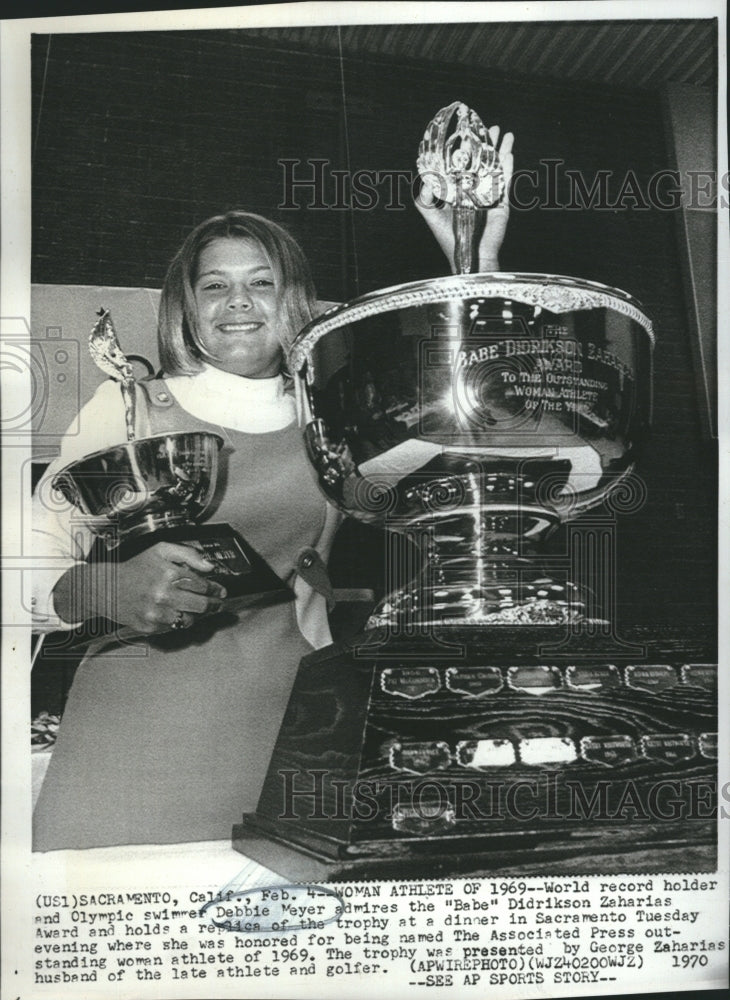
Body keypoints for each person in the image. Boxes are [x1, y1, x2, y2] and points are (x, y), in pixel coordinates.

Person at [32, 128, 514, 850]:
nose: (239, 302)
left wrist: (472, 255)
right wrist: (101, 589)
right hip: (133, 747)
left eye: (262, 282)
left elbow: (478, 423)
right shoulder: (127, 406)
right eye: (215, 285)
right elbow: (22, 559)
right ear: (186, 306)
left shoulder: (342, 415)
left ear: (293, 298)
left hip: (294, 735)